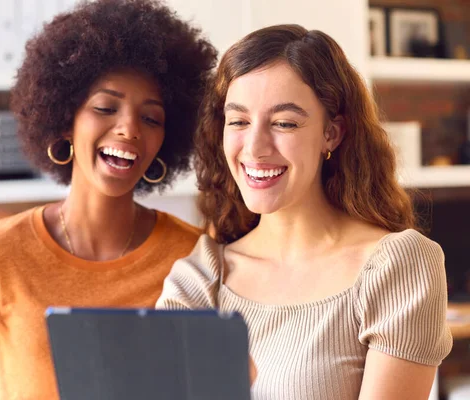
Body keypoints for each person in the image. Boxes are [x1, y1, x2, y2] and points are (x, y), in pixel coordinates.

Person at [0, 1, 217, 399]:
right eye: (105, 107)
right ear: (65, 119)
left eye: (151, 118)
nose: (128, 128)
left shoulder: (191, 255)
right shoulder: (2, 251)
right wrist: (6, 388)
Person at [156, 24, 452, 400]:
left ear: (332, 133)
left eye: (284, 123)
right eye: (239, 121)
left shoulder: (397, 266)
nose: (256, 147)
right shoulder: (200, 279)